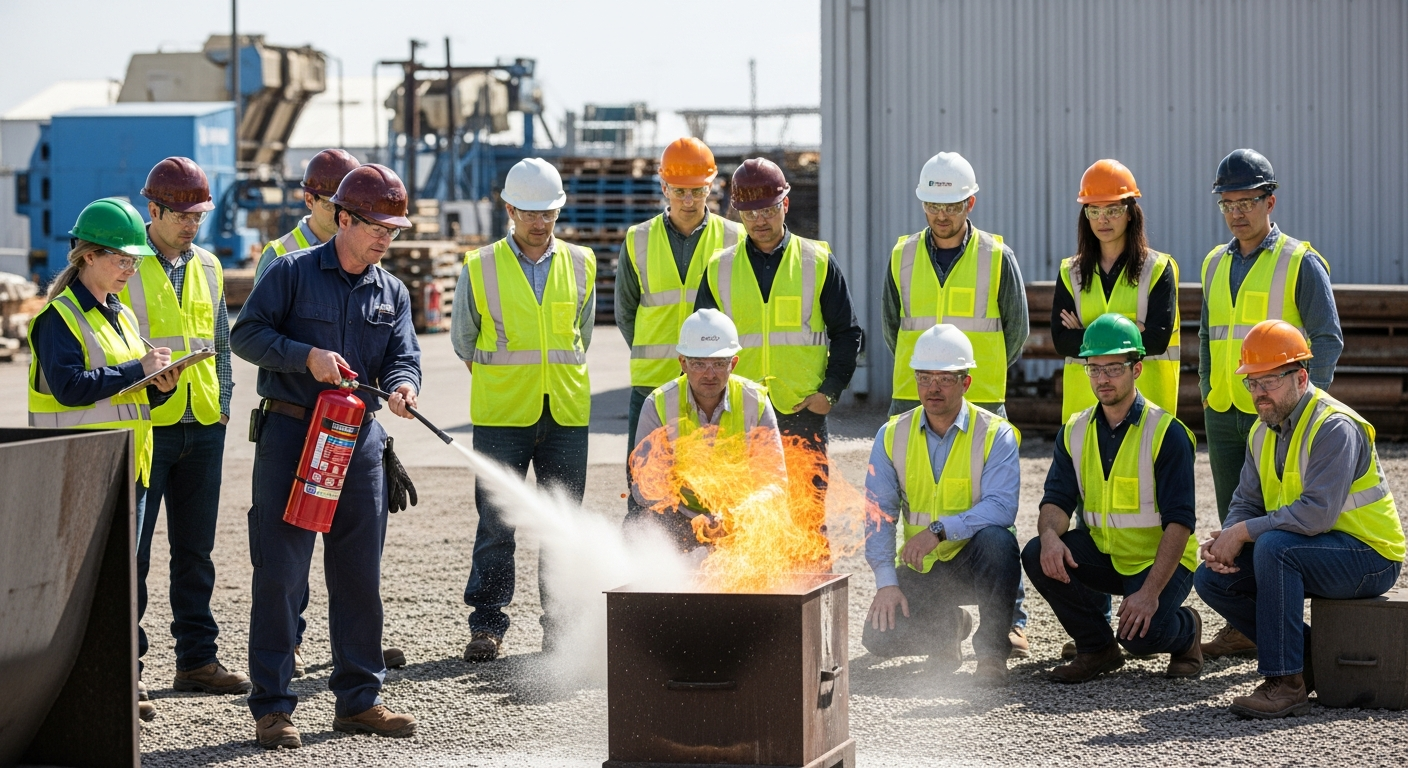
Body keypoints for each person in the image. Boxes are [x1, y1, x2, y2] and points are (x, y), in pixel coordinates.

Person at [232, 163, 422, 748]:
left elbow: (404, 356)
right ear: (343, 219)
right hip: (292, 436)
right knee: (282, 574)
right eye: (376, 227)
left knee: (360, 576)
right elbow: (245, 335)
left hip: (358, 441)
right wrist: (304, 356)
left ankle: (359, 701)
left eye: (393, 230)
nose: (386, 239)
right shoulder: (290, 272)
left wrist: (404, 385)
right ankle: (272, 707)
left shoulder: (392, 291)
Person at [1195, 320, 1404, 719]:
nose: (1259, 392)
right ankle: (1307, 659)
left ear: (1301, 377)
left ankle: (1286, 683)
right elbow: (1246, 501)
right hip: (1314, 547)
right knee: (1211, 578)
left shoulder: (1334, 427)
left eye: (1270, 381)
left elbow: (1315, 514)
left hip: (1370, 557)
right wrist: (1228, 540)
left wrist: (1243, 532)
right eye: (1252, 382)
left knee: (1276, 549)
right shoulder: (1261, 431)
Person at [27, 197, 181, 722]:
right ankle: (89, 693)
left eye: (134, 261)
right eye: (121, 259)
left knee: (121, 584)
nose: (130, 269)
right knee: (85, 589)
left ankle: (119, 682)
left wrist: (157, 384)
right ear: (88, 255)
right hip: (80, 468)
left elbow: (124, 393)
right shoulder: (58, 318)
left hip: (125, 466)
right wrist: (138, 369)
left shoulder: (120, 314)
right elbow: (71, 388)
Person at [882, 151, 1033, 658]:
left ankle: (1009, 620)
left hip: (980, 397)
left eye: (950, 205)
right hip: (914, 399)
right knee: (916, 506)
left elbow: (1015, 330)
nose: (941, 215)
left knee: (994, 517)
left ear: (970, 203)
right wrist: (927, 379)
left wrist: (974, 380)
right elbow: (892, 326)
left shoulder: (997, 257)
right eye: (932, 205)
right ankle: (937, 615)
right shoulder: (902, 256)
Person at [1198, 148, 1343, 660]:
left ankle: (1279, 629)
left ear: (1270, 201)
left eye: (1247, 201)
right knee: (1235, 515)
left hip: (1282, 415)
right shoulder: (1214, 263)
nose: (1237, 212)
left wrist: (1304, 408)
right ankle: (1245, 621)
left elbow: (1327, 340)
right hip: (1225, 412)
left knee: (1282, 518)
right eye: (1228, 203)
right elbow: (1208, 336)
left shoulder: (1300, 262)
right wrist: (1208, 390)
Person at [451, 158, 596, 663]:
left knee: (562, 524)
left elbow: (581, 335)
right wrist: (509, 382)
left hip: (566, 413)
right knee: (496, 524)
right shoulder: (480, 265)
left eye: (548, 212)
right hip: (501, 415)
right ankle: (487, 625)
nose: (540, 222)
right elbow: (464, 340)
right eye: (530, 212)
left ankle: (561, 628)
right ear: (510, 209)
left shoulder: (582, 262)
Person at [121, 157, 251, 704]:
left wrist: (223, 406)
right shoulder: (126, 265)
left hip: (203, 426)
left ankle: (196, 660)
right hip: (148, 427)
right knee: (134, 554)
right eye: (182, 215)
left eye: (199, 215)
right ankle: (126, 667)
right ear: (153, 211)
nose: (192, 225)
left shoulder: (210, 265)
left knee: (195, 552)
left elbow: (220, 341)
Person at [1023, 314, 1203, 683]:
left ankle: (1187, 630)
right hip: (1107, 554)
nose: (1102, 378)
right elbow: (1056, 500)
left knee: (1141, 639)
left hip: (1158, 562)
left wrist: (1149, 594)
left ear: (1136, 369)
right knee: (1037, 553)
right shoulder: (1074, 431)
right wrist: (1050, 536)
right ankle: (1097, 648)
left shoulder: (1166, 433)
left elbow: (1180, 523)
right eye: (1094, 368)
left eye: (1113, 368)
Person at [862, 324, 1021, 685]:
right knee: (879, 637)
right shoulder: (892, 435)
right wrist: (886, 583)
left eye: (945, 379)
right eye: (925, 377)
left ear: (966, 383)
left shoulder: (995, 433)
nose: (933, 387)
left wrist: (939, 531)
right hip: (925, 567)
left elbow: (1001, 507)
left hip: (976, 561)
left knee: (999, 542)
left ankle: (991, 654)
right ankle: (948, 630)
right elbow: (878, 515)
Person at [693, 157, 862, 465]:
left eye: (768, 210)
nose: (759, 220)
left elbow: (846, 333)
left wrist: (830, 392)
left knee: (804, 496)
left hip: (802, 411)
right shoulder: (719, 268)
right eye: (750, 213)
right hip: (737, 412)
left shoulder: (817, 261)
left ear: (785, 204)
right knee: (742, 495)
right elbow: (699, 342)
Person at [616, 138, 745, 457]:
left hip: (714, 388)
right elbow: (625, 311)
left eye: (698, 191)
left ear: (710, 187)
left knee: (714, 479)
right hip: (652, 384)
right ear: (664, 187)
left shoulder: (735, 238)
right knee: (645, 477)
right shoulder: (638, 239)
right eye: (680, 190)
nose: (689, 200)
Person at [628, 309, 784, 549]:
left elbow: (775, 482)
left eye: (719, 364)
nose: (709, 374)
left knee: (775, 523)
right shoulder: (658, 404)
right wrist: (691, 522)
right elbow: (646, 486)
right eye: (699, 363)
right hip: (678, 515)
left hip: (741, 517)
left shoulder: (756, 402)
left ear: (733, 363)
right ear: (683, 363)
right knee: (639, 523)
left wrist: (736, 515)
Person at [1054, 160, 1179, 421]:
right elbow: (1062, 340)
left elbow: (1157, 340)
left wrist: (1085, 334)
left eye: (1113, 209)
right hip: (1084, 412)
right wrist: (1134, 331)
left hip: (1146, 411)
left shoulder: (1157, 268)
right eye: (1094, 210)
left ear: (1130, 212)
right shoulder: (1071, 271)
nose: (1103, 219)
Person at [254, 148, 360, 284]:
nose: (343, 214)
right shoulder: (280, 254)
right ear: (309, 200)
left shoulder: (363, 252)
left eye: (350, 205)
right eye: (332, 205)